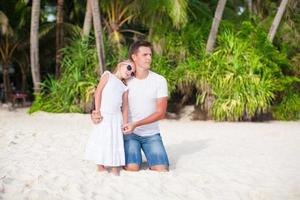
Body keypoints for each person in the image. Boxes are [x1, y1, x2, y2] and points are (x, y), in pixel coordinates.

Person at [122, 40, 169, 172]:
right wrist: (95, 113)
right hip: (130, 133)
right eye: (145, 55)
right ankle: (131, 156)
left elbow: (161, 113)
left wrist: (136, 124)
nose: (149, 58)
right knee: (132, 168)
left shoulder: (159, 80)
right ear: (134, 57)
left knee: (161, 169)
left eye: (150, 55)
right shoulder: (125, 80)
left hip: (151, 134)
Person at [85, 60, 136, 176]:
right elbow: (98, 92)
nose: (130, 72)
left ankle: (114, 166)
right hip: (104, 114)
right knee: (101, 138)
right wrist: (97, 111)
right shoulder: (108, 75)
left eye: (132, 73)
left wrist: (125, 122)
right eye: (129, 68)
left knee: (114, 140)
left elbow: (125, 107)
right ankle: (100, 166)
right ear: (120, 65)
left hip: (116, 117)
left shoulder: (124, 87)